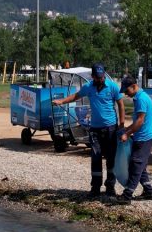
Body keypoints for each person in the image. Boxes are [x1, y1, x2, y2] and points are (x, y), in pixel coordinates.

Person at [52, 63, 124, 198]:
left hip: (110, 128)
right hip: (95, 128)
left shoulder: (113, 86)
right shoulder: (89, 87)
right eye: (97, 77)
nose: (100, 79)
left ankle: (110, 187)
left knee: (111, 159)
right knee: (95, 158)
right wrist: (62, 101)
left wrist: (122, 125)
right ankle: (95, 188)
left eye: (102, 77)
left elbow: (120, 104)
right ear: (93, 77)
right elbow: (75, 96)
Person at [116, 74, 152, 203]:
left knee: (135, 164)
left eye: (127, 91)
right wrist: (126, 130)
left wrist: (126, 134)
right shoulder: (140, 97)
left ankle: (127, 195)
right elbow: (137, 122)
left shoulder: (141, 99)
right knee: (141, 166)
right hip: (142, 137)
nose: (126, 94)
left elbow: (140, 121)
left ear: (134, 86)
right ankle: (149, 192)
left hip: (145, 139)